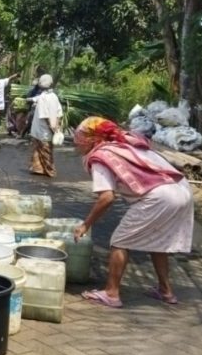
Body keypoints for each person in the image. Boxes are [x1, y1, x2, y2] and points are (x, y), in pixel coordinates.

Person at [73, 117, 194, 308]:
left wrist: (85, 224)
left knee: (120, 241)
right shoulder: (125, 143)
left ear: (92, 139)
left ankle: (111, 293)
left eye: (79, 137)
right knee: (158, 242)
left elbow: (106, 198)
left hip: (159, 196)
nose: (76, 141)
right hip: (181, 189)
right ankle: (166, 291)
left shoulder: (101, 157)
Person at [28, 74, 62, 177]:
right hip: (45, 129)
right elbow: (58, 113)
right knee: (44, 150)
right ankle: (43, 170)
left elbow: (46, 116)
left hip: (42, 129)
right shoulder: (53, 96)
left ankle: (44, 170)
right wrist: (57, 126)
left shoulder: (43, 97)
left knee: (42, 150)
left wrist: (52, 127)